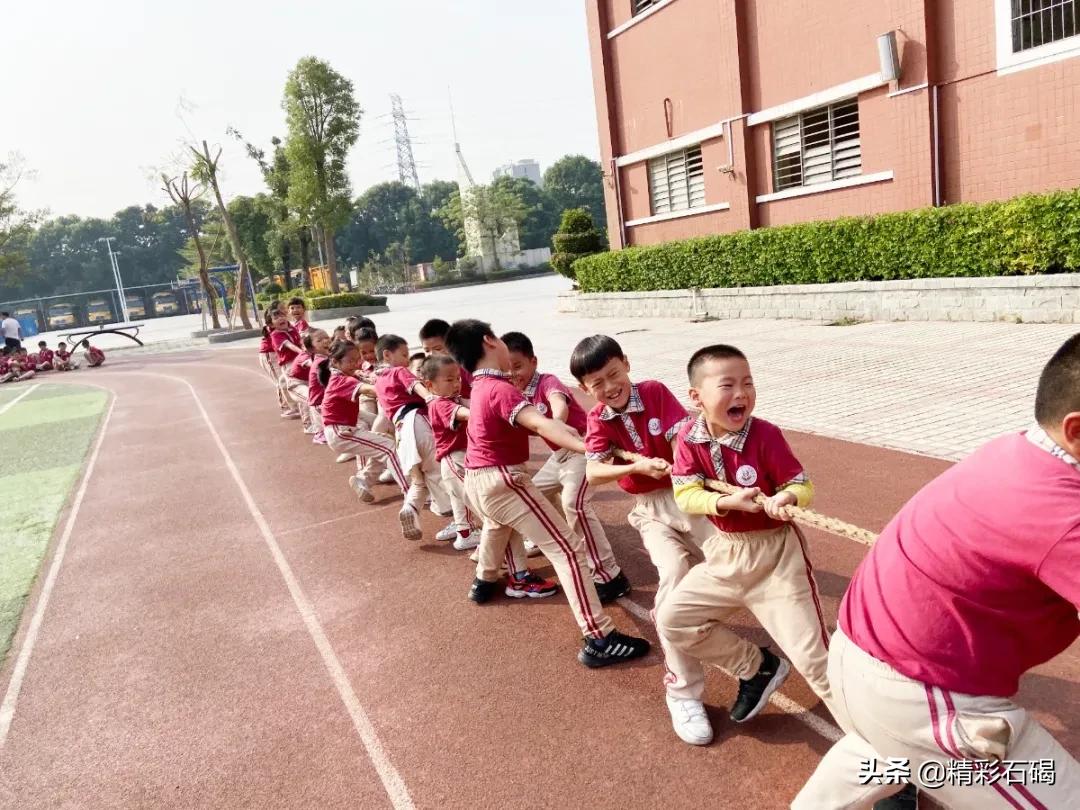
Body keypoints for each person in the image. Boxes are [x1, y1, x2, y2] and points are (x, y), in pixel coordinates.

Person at [792, 333, 1080, 810]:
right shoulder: (1064, 516)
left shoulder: (1016, 450)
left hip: (857, 658)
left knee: (888, 750)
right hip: (920, 698)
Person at [445, 318, 651, 667]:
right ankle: (599, 637)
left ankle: (484, 580)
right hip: (501, 479)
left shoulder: (480, 386)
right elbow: (544, 424)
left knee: (498, 527)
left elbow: (552, 412)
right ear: (490, 340)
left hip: (478, 481)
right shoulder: (500, 388)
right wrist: (590, 448)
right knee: (569, 550)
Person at [656, 344, 835, 742]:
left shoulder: (766, 435)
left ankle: (890, 763)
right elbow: (686, 495)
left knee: (816, 661)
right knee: (674, 620)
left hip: (776, 558)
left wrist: (788, 498)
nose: (742, 394)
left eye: (748, 383)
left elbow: (800, 485)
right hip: (725, 553)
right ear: (696, 396)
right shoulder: (688, 438)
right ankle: (756, 667)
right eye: (728, 385)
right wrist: (725, 501)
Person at [572, 334, 717, 743]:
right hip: (650, 509)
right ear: (586, 390)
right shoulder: (598, 419)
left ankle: (676, 615)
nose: (608, 387)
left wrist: (671, 462)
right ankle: (683, 691)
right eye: (596, 383)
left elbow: (678, 435)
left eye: (613, 374)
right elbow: (594, 472)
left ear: (627, 364)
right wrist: (630, 469)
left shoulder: (652, 391)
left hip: (688, 493)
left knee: (736, 564)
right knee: (673, 573)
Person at [503, 331, 630, 603]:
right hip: (558, 456)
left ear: (533, 362)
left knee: (575, 504)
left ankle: (610, 575)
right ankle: (544, 539)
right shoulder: (514, 392)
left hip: (582, 449)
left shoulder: (547, 382)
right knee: (530, 495)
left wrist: (555, 423)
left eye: (518, 366)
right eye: (507, 369)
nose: (513, 374)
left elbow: (557, 404)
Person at [373, 334, 454, 542]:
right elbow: (415, 387)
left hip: (401, 432)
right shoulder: (398, 371)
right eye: (404, 354)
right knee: (441, 470)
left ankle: (410, 508)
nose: (407, 360)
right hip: (417, 422)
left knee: (419, 481)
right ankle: (460, 521)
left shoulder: (378, 380)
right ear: (387, 354)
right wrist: (432, 399)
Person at [319, 341, 410, 507]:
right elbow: (370, 390)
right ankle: (411, 493)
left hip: (343, 430)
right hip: (340, 432)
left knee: (382, 444)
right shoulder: (340, 380)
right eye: (350, 361)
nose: (355, 363)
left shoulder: (347, 376)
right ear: (335, 362)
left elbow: (371, 379)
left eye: (357, 359)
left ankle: (363, 480)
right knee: (389, 448)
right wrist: (398, 388)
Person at [420, 354, 485, 553]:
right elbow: (468, 413)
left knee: (460, 500)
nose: (456, 383)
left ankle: (464, 535)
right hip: (454, 459)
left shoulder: (452, 398)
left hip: (456, 458)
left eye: (457, 378)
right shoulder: (440, 404)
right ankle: (493, 534)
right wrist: (492, 408)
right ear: (430, 385)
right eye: (449, 380)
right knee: (477, 499)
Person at [288, 329, 331, 443]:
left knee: (314, 399)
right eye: (320, 340)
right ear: (310, 347)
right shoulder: (306, 356)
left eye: (326, 337)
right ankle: (317, 431)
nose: (325, 341)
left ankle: (314, 426)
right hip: (296, 384)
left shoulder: (326, 354)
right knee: (313, 400)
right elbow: (311, 364)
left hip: (310, 382)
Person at [420, 318, 472, 399]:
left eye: (438, 349)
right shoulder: (427, 371)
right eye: (427, 350)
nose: (432, 354)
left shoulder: (467, 366)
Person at [266, 307, 302, 419]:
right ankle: (295, 407)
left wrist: (303, 351)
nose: (281, 318)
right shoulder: (276, 334)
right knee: (282, 382)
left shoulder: (292, 329)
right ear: (271, 325)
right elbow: (288, 345)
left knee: (293, 385)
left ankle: (300, 406)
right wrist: (302, 352)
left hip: (292, 364)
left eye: (282, 316)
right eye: (276, 318)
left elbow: (299, 341)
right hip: (292, 361)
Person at [259, 300, 292, 416]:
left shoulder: (285, 322)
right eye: (282, 308)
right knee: (280, 379)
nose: (285, 310)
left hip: (278, 353)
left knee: (285, 378)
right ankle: (286, 406)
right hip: (269, 354)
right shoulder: (273, 324)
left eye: (284, 308)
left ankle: (291, 403)